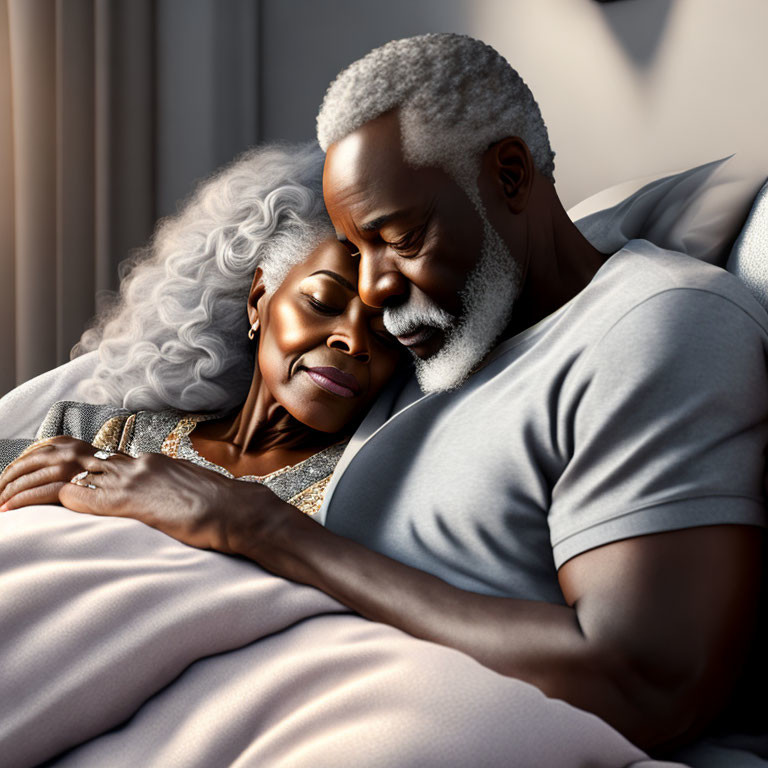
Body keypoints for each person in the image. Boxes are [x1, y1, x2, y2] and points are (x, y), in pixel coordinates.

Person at [2, 33, 766, 758]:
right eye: (356, 251)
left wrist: (257, 527)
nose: (374, 291)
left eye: (399, 238)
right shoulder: (448, 339)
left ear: (508, 176)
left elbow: (647, 684)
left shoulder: (655, 322)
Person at [0, 142, 404, 519]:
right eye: (322, 303)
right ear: (258, 300)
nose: (353, 341)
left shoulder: (373, 496)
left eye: (386, 330)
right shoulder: (97, 433)